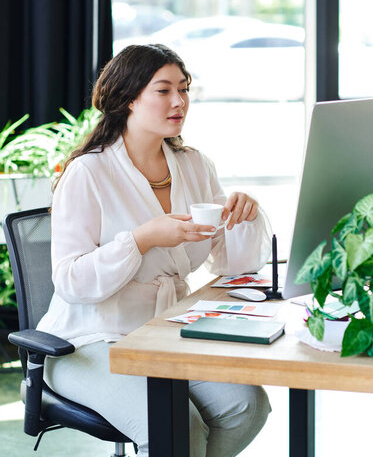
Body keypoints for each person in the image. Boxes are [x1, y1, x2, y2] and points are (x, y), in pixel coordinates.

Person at [38, 43, 272, 457]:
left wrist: (245, 216)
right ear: (129, 97)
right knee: (179, 427)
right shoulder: (88, 172)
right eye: (163, 90)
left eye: (184, 89)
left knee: (246, 406)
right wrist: (142, 239)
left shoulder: (195, 165)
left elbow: (233, 265)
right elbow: (70, 280)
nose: (179, 101)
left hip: (164, 332)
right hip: (87, 343)